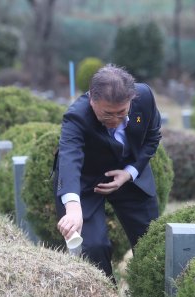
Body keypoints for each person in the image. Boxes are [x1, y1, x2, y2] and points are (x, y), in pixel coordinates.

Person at [54, 64, 161, 281]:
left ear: (132, 98)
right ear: (92, 99)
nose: (115, 121)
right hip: (87, 181)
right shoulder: (76, 117)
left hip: (128, 175)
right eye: (107, 115)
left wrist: (129, 173)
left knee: (153, 242)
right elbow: (69, 159)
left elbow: (152, 137)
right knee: (92, 247)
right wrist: (73, 207)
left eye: (122, 112)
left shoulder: (145, 97)